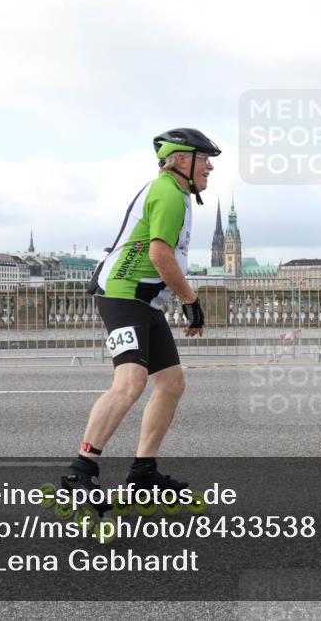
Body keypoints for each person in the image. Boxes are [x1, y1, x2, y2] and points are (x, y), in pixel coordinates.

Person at [65, 128, 220, 505]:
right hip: (123, 296)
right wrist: (190, 299)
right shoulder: (168, 193)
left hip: (144, 301)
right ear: (182, 160)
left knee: (171, 384)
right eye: (205, 159)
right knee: (130, 383)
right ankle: (81, 471)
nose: (210, 167)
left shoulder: (177, 193)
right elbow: (159, 255)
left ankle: (143, 473)